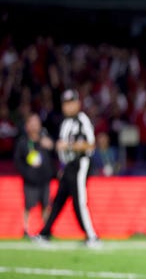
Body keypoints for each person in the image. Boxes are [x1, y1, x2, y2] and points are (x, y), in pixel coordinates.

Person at [33, 89, 100, 247]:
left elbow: (90, 144)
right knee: (58, 201)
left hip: (80, 164)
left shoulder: (82, 120)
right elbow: (61, 147)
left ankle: (92, 236)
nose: (68, 107)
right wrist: (54, 147)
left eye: (71, 103)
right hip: (68, 166)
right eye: (65, 103)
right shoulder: (65, 123)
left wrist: (68, 146)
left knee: (79, 201)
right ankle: (45, 233)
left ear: (78, 103)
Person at [13, 113, 55, 237]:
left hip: (44, 179)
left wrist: (51, 145)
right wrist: (26, 173)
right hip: (30, 180)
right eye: (32, 123)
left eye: (37, 123)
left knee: (46, 205)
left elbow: (54, 152)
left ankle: (46, 229)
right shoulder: (23, 142)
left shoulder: (45, 139)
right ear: (27, 126)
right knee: (29, 205)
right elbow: (18, 161)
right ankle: (26, 229)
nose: (35, 126)